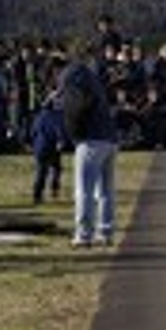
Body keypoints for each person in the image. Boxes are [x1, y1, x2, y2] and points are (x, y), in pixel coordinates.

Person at [61, 51, 118, 247]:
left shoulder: (70, 78)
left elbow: (73, 109)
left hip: (90, 139)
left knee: (83, 189)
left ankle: (84, 234)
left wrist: (73, 135)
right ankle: (106, 231)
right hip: (109, 137)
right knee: (104, 190)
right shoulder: (92, 78)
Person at [30, 92, 69, 205]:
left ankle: (38, 194)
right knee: (52, 169)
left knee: (43, 171)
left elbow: (33, 131)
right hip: (51, 147)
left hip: (39, 147)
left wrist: (32, 142)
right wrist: (61, 141)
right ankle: (52, 189)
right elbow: (59, 130)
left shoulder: (40, 115)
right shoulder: (57, 116)